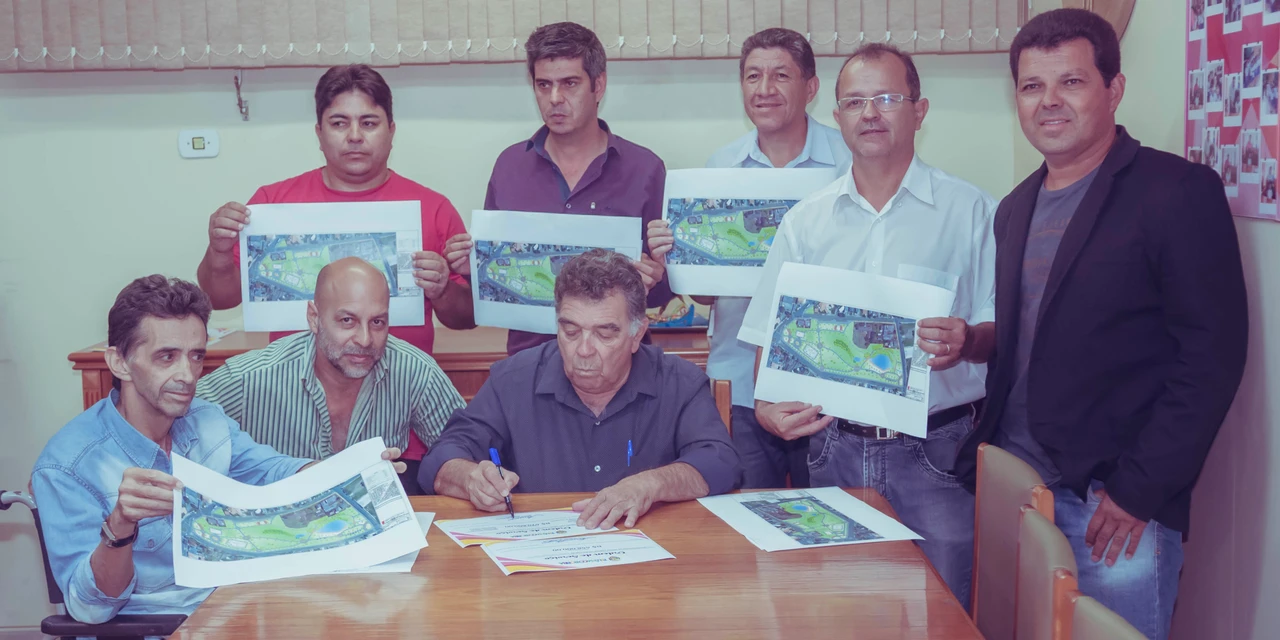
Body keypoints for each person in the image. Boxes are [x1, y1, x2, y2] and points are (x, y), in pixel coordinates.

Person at [953, 10, 1247, 639]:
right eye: (1032, 86)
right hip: (1021, 492)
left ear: (1113, 90)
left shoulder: (1177, 191)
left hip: (1112, 504)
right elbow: (1031, 340)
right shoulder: (1015, 207)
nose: (1049, 102)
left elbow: (1211, 357)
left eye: (1071, 82)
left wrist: (1140, 488)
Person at [736, 43, 998, 607]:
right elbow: (768, 339)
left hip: (938, 453)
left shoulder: (972, 210)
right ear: (837, 116)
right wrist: (767, 408)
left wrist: (967, 340)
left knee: (941, 614)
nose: (870, 114)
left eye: (887, 99)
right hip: (834, 451)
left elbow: (998, 330)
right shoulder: (805, 222)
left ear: (919, 110)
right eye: (855, 102)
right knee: (843, 612)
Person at [31, 276, 404, 623]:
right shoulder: (67, 466)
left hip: (240, 611)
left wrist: (352, 469)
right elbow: (91, 609)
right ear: (119, 363)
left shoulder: (205, 419)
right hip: (163, 627)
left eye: (196, 356)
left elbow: (273, 470)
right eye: (166, 357)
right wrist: (120, 526)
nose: (187, 375)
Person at [194, 63, 469, 469]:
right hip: (291, 431)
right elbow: (218, 299)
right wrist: (219, 250)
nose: (355, 136)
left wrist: (443, 289)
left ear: (391, 130)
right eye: (339, 123)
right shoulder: (272, 203)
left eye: (369, 122)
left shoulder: (433, 208)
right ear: (319, 132)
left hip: (398, 430)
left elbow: (466, 318)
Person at [646, 27, 850, 489]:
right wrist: (679, 257)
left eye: (781, 75)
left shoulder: (849, 162)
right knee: (744, 517)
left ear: (811, 87)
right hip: (739, 380)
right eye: (753, 76)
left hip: (828, 383)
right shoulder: (719, 168)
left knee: (830, 519)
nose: (764, 89)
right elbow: (705, 296)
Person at [419, 250, 741, 530]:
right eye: (571, 331)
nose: (584, 350)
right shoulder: (514, 380)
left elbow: (721, 462)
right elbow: (443, 456)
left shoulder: (678, 381)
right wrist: (471, 479)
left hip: (651, 562)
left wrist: (651, 484)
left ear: (637, 334)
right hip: (542, 560)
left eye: (605, 334)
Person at [446, 22, 672, 356]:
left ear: (598, 85)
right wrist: (474, 269)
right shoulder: (509, 167)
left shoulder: (645, 169)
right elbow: (496, 284)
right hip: (529, 363)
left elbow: (664, 294)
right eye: (544, 85)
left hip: (617, 366)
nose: (555, 99)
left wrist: (656, 278)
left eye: (569, 83)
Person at [196, 257, 465, 494]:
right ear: (314, 318)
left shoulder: (414, 370)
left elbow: (464, 446)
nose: (364, 339)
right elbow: (176, 421)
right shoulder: (252, 377)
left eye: (377, 322)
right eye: (347, 320)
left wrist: (465, 474)